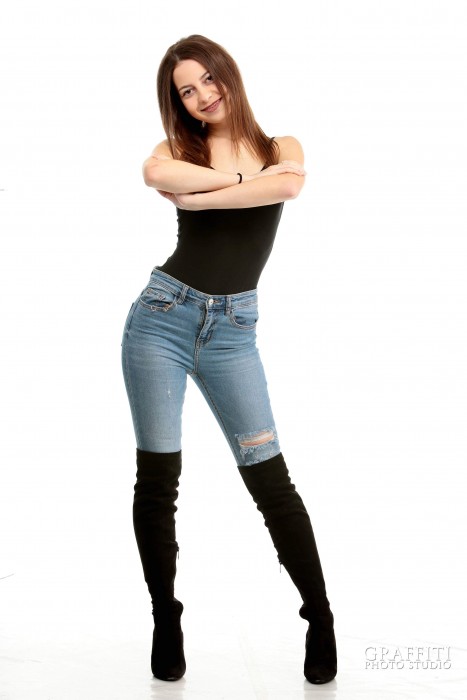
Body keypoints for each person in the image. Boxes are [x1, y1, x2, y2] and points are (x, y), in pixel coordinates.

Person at [121, 34, 337, 685]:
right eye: (186, 91)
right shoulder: (176, 150)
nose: (201, 96)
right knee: (158, 480)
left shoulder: (281, 146)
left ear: (228, 75)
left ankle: (320, 618)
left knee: (271, 481)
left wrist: (206, 195)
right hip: (161, 320)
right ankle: (165, 618)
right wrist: (247, 185)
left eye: (207, 80)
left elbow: (289, 185)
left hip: (233, 333)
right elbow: (155, 175)